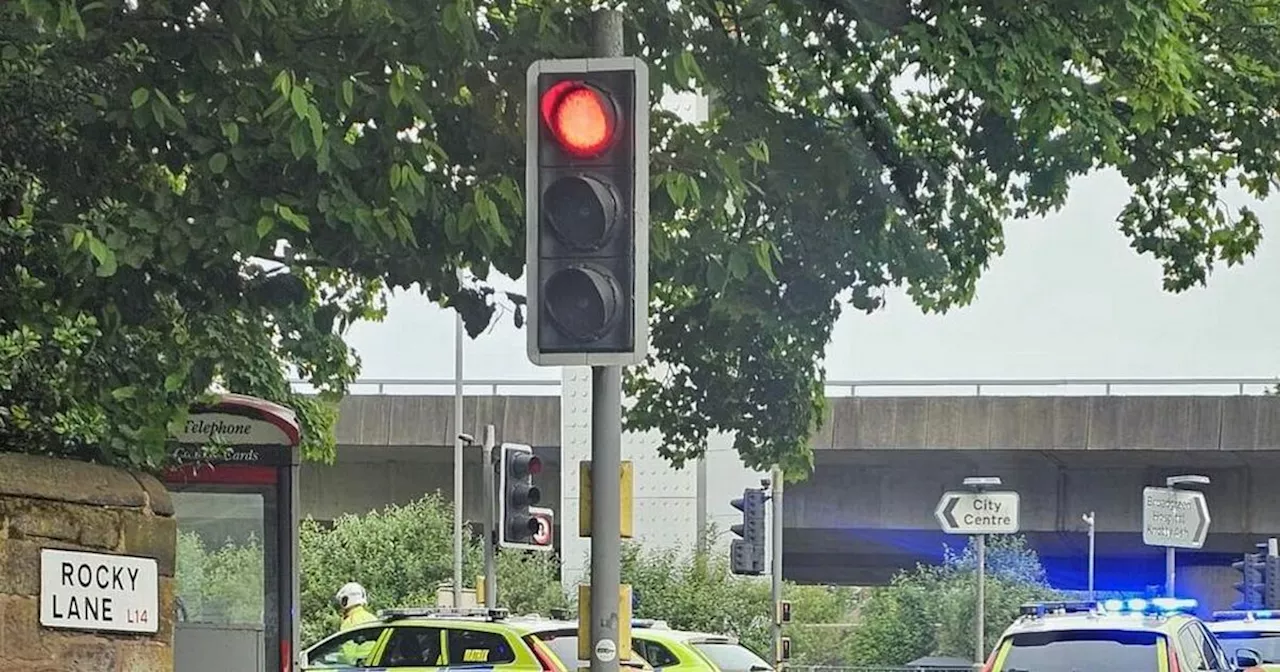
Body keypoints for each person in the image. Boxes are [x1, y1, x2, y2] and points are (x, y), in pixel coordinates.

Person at [334, 582, 378, 665]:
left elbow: (348, 657)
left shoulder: (349, 622)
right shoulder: (373, 618)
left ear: (345, 600)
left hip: (359, 666)